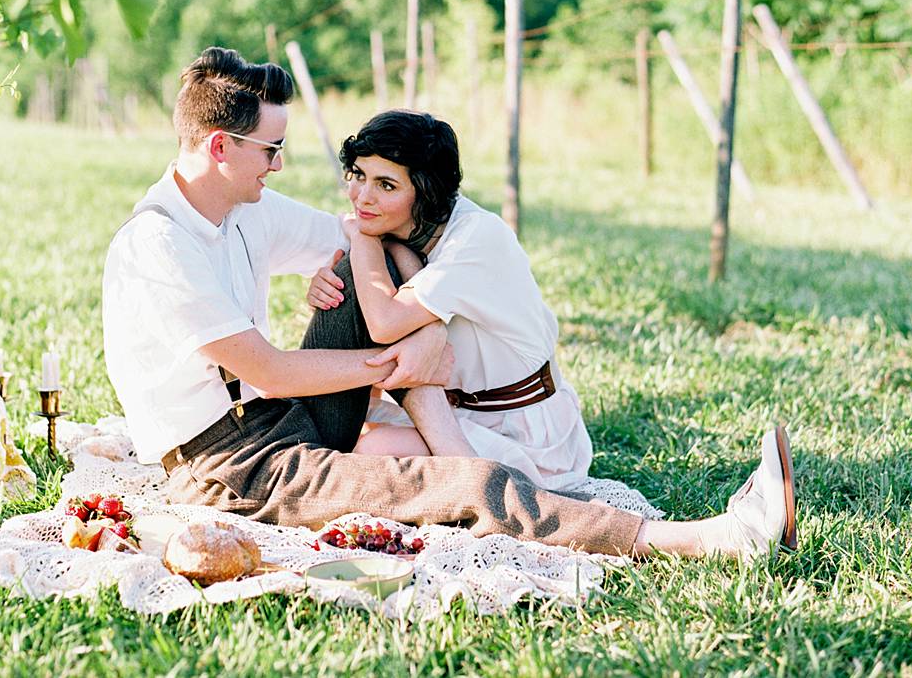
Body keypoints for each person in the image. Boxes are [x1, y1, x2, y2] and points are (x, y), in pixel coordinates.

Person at [102, 46, 797, 561]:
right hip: (232, 467)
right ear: (222, 147)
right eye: (271, 149)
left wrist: (415, 319)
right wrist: (398, 360)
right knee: (465, 485)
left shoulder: (242, 207)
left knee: (357, 258)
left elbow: (356, 235)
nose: (279, 165)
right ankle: (709, 540)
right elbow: (276, 369)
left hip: (286, 418)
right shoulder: (159, 246)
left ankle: (441, 425)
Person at [304, 110, 641, 510]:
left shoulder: (477, 238)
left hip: (524, 428)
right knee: (365, 449)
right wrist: (345, 276)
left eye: (386, 184)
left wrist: (362, 241)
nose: (363, 197)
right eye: (358, 175)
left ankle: (480, 484)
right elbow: (384, 319)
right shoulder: (406, 230)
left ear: (426, 191)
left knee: (374, 451)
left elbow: (386, 323)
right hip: (456, 409)